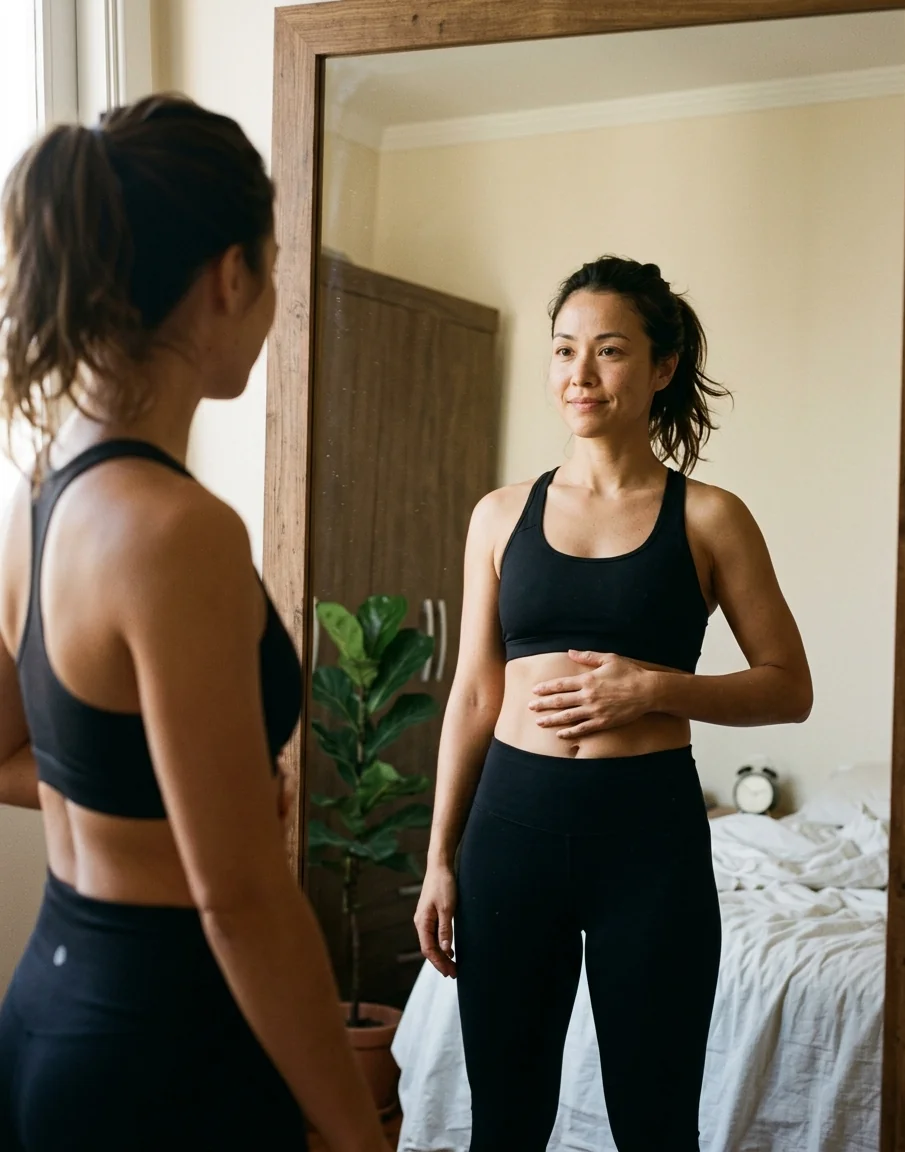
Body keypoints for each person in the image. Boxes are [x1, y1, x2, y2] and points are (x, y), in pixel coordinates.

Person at [0, 95, 390, 1152]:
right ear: (231, 276)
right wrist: (355, 1129)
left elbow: (13, 752)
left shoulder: (38, 493)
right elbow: (242, 902)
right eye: (272, 270)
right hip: (162, 1045)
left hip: (47, 1013)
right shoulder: (177, 532)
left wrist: (168, 794)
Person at [414, 255, 813, 1152]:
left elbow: (790, 685)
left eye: (608, 351)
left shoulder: (711, 517)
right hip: (510, 833)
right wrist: (441, 856)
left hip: (649, 839)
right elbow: (474, 694)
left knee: (655, 1121)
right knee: (504, 1122)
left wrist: (657, 687)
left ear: (661, 367)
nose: (579, 375)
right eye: (563, 351)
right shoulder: (498, 514)